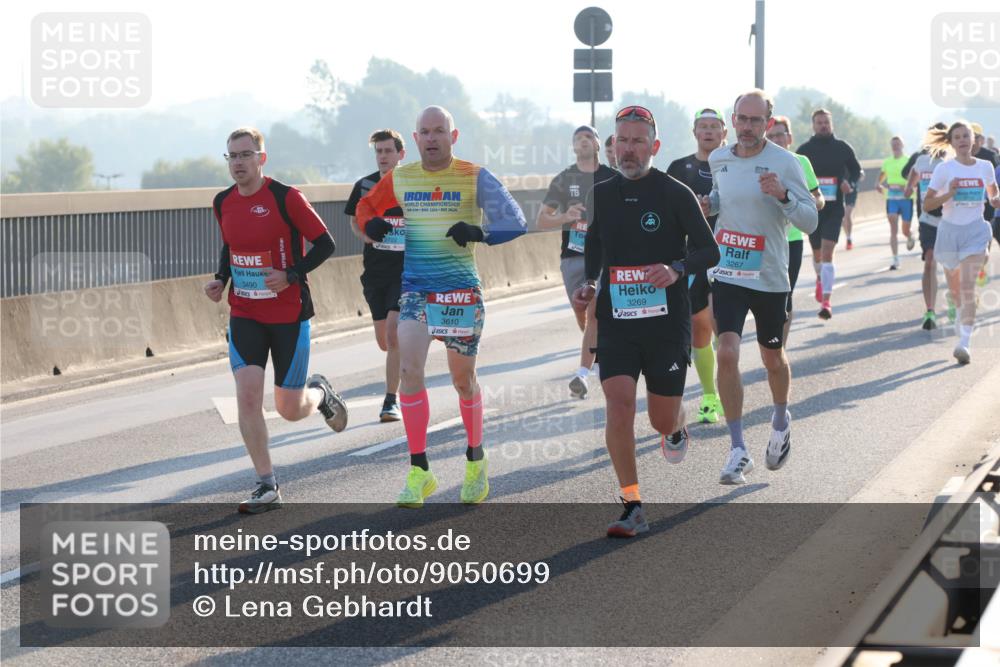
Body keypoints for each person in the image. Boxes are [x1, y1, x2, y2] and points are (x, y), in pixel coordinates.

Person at [356, 106, 527, 507]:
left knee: (462, 380)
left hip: (460, 293)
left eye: (439, 131)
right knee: (409, 369)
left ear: (454, 135)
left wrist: (479, 233)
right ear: (414, 140)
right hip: (415, 291)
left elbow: (515, 221)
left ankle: (475, 459)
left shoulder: (473, 175)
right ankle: (419, 470)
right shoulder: (401, 176)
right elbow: (366, 208)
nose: (432, 138)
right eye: (425, 132)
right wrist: (372, 225)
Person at [574, 105, 719, 537]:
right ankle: (632, 503)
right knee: (618, 405)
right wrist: (590, 282)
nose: (630, 150)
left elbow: (709, 252)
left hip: (665, 323)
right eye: (623, 141)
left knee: (658, 419)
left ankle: (675, 427)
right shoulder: (600, 193)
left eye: (639, 141)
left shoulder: (676, 193)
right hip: (617, 320)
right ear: (613, 145)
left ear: (654, 146)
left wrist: (676, 268)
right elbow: (595, 246)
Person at [205, 127, 348, 514]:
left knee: (288, 408)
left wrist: (291, 273)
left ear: (261, 158)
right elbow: (231, 246)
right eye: (231, 156)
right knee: (248, 397)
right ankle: (267, 484)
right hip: (246, 313)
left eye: (245, 155)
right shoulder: (222, 202)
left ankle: (319, 394)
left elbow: (326, 243)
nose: (238, 162)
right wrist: (222, 278)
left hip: (288, 314)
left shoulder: (287, 198)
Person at [704, 90, 818, 485]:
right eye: (742, 119)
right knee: (728, 353)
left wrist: (783, 195)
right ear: (732, 120)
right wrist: (709, 205)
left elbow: (810, 221)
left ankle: (781, 418)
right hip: (729, 271)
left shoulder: (785, 162)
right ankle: (737, 449)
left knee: (772, 358)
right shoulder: (719, 158)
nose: (748, 127)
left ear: (768, 123)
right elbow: (722, 199)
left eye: (756, 121)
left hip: (769, 276)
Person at [536, 126, 616, 398]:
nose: (583, 142)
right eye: (578, 139)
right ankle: (599, 351)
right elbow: (541, 219)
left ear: (597, 144)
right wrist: (566, 216)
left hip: (603, 257)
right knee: (582, 313)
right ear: (573, 146)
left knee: (594, 312)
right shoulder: (563, 179)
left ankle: (583, 373)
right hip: (572, 256)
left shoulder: (611, 177)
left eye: (588, 137)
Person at [666, 108, 728, 423]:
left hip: (732, 254)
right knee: (701, 328)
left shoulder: (734, 166)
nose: (708, 132)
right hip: (696, 256)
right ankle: (709, 396)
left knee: (722, 326)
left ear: (724, 133)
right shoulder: (679, 168)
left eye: (714, 127)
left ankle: (725, 365)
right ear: (695, 132)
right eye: (702, 127)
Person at [923, 121, 1000, 364]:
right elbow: (927, 205)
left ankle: (964, 343)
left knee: (968, 287)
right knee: (956, 291)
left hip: (976, 231)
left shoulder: (985, 167)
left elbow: (993, 194)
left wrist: (996, 200)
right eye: (957, 137)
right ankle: (960, 321)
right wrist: (950, 193)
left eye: (966, 136)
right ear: (952, 142)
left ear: (974, 140)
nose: (963, 140)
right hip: (949, 233)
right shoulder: (944, 170)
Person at [345, 129, 406, 422]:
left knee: (394, 335)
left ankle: (391, 400)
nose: (383, 156)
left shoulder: (413, 185)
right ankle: (408, 361)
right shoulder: (365, 185)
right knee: (385, 341)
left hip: (406, 271)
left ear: (400, 155)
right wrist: (367, 235)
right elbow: (354, 222)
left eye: (388, 151)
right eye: (379, 152)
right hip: (375, 272)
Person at [764, 115, 825, 344]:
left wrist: (813, 203)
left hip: (791, 240)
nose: (776, 139)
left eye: (780, 135)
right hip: (762, 239)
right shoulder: (756, 160)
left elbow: (818, 198)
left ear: (789, 137)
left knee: (784, 297)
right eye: (771, 136)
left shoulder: (801, 161)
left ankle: (780, 349)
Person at [797, 108, 862, 320]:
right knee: (817, 254)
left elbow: (856, 170)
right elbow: (794, 175)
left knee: (827, 252)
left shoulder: (842, 148)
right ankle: (820, 279)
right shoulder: (804, 150)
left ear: (831, 124)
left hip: (835, 208)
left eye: (826, 122)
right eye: (819, 122)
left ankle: (826, 301)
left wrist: (848, 183)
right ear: (813, 125)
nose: (823, 125)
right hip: (814, 209)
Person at [903, 123, 948, 330]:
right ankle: (930, 310)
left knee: (951, 266)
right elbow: (909, 185)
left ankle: (955, 301)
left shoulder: (952, 162)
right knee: (929, 261)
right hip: (927, 219)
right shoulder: (921, 161)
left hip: (951, 220)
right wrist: (909, 188)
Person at [876, 136, 917, 270]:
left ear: (902, 145)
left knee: (904, 229)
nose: (895, 146)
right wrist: (878, 183)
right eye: (893, 144)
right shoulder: (887, 161)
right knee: (893, 227)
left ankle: (909, 235)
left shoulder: (908, 160)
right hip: (892, 198)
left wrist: (905, 187)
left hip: (906, 198)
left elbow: (915, 178)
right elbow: (882, 174)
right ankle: (895, 259)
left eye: (898, 144)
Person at [842, 171, 863, 250]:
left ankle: (849, 237)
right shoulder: (836, 159)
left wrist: (859, 175)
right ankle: (848, 237)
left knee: (848, 214)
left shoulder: (850, 159)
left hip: (852, 191)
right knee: (843, 216)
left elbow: (861, 173)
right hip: (841, 190)